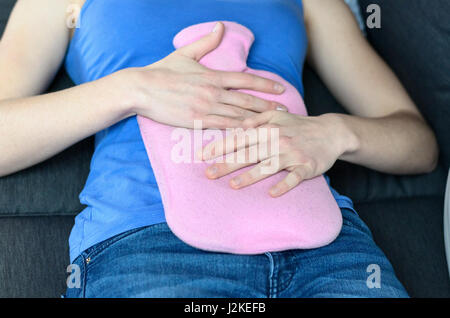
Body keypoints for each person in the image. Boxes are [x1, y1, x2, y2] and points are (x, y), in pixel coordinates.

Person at [0, 0, 438, 298]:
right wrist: (130, 89)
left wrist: (335, 132)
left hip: (326, 245)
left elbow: (418, 144)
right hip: (153, 245)